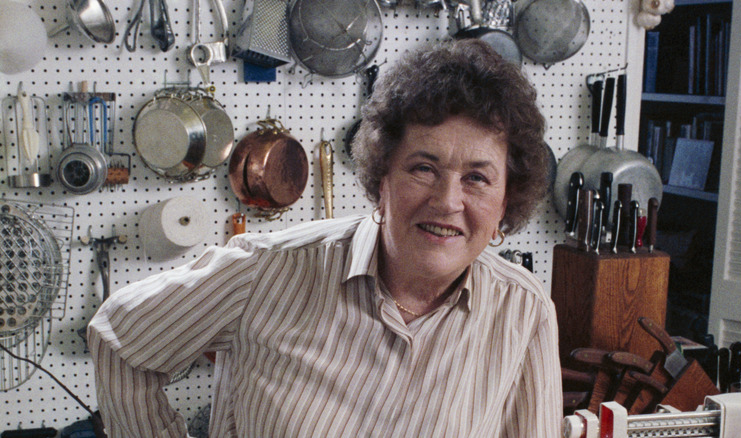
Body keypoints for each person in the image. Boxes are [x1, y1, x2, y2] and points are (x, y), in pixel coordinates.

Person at [88, 38, 562, 437]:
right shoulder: (267, 271)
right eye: (423, 168)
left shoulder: (522, 310)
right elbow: (119, 339)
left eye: (477, 178)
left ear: (507, 199)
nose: (447, 200)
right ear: (383, 179)